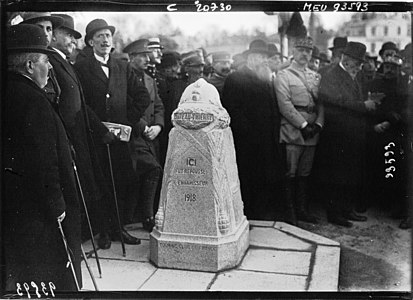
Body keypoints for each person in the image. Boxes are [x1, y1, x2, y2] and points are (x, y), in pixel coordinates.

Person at [4, 23, 81, 291]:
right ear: (29, 65)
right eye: (46, 62)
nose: (49, 69)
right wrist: (57, 205)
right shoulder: (33, 100)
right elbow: (42, 160)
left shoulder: (9, 92)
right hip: (38, 209)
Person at [74, 19, 150, 247]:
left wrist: (126, 122)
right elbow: (82, 104)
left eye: (107, 35)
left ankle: (119, 229)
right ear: (90, 42)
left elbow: (142, 97)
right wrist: (100, 129)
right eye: (99, 36)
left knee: (121, 182)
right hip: (96, 137)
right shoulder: (82, 68)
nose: (105, 40)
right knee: (101, 183)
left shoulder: (121, 66)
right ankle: (104, 231)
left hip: (120, 139)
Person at [48, 14, 121, 246]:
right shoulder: (57, 63)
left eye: (72, 35)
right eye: (67, 34)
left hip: (86, 135)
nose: (72, 40)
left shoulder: (65, 63)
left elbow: (79, 103)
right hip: (72, 138)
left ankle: (106, 229)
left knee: (98, 184)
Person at [316, 41, 382, 227]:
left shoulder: (353, 76)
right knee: (336, 175)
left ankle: (346, 209)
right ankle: (334, 213)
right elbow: (336, 102)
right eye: (358, 63)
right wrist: (363, 105)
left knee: (349, 174)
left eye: (361, 64)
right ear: (346, 59)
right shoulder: (331, 76)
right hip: (337, 135)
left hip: (352, 135)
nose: (360, 67)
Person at [222, 39, 289, 222]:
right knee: (248, 178)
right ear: (251, 58)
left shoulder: (265, 78)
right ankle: (247, 216)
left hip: (267, 139)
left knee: (263, 178)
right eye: (261, 57)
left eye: (266, 58)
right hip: (247, 141)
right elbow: (232, 110)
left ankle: (260, 214)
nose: (265, 61)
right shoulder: (236, 78)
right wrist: (250, 133)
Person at [275, 36, 324, 224]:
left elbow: (321, 104)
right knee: (290, 173)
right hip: (293, 131)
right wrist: (302, 125)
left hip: (312, 132)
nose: (305, 54)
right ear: (293, 52)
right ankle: (290, 213)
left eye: (308, 51)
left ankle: (302, 210)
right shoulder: (284, 75)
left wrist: (318, 125)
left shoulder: (315, 76)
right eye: (301, 50)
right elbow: (284, 104)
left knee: (305, 173)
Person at [123, 39, 165, 230]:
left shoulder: (149, 79)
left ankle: (139, 215)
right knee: (152, 169)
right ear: (132, 58)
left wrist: (158, 125)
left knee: (147, 174)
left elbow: (158, 106)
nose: (148, 60)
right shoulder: (123, 76)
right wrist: (142, 126)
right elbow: (124, 106)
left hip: (150, 137)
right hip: (134, 136)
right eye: (143, 56)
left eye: (148, 56)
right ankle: (147, 216)